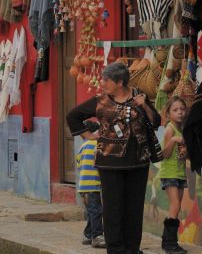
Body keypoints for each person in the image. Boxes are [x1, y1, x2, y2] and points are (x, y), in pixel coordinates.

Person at [67, 62, 161, 254]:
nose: (102, 83)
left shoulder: (139, 96)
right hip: (109, 164)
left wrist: (146, 106)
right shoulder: (100, 100)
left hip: (138, 162)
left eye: (106, 80)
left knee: (134, 210)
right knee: (112, 210)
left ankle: (132, 249)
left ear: (119, 82)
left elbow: (156, 122)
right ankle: (116, 250)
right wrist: (88, 135)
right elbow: (73, 115)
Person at [160, 97, 188, 254]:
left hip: (179, 172)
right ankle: (171, 244)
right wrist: (173, 140)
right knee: (175, 206)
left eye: (182, 109)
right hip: (170, 172)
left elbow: (182, 155)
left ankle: (166, 241)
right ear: (168, 113)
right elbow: (164, 154)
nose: (180, 112)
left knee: (176, 207)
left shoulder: (182, 129)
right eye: (175, 110)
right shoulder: (170, 129)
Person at [76, 120, 105, 248]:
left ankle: (88, 235)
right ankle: (97, 236)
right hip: (93, 184)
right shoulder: (97, 145)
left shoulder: (82, 147)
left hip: (83, 185)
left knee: (92, 211)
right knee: (96, 211)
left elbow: (78, 164)